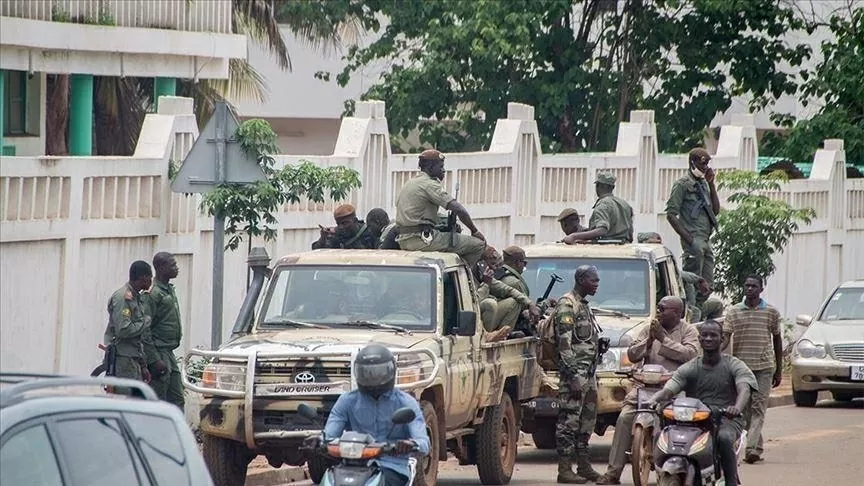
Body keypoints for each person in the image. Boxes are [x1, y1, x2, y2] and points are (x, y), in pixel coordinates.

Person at [595, 296, 698, 485]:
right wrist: (649, 341)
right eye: (658, 307)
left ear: (677, 313)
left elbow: (690, 355)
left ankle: (674, 472)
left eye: (663, 308)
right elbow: (632, 354)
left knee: (679, 424)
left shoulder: (688, 330)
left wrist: (663, 340)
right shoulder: (649, 328)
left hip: (673, 388)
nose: (658, 311)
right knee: (625, 417)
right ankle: (612, 473)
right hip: (645, 387)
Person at [646, 320, 757, 486]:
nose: (708, 338)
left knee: (724, 438)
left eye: (713, 335)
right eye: (704, 335)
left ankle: (731, 480)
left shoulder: (734, 365)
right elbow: (671, 388)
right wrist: (654, 399)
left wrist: (736, 408)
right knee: (663, 433)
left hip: (726, 418)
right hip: (695, 417)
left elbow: (744, 389)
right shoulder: (691, 366)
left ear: (722, 339)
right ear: (699, 338)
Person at [323, 344, 431, 486]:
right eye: (366, 373)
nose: (372, 378)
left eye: (379, 373)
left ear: (391, 371)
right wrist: (318, 441)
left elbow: (424, 443)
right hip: (352, 466)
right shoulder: (347, 401)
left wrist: (410, 444)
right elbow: (329, 436)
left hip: (392, 466)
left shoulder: (406, 402)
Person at [721, 275, 783, 464]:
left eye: (754, 286)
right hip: (741, 369)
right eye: (747, 285)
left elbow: (777, 340)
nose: (750, 289)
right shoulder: (734, 312)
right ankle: (757, 445)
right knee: (745, 411)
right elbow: (725, 338)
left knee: (758, 408)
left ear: (761, 289)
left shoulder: (771, 312)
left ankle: (750, 449)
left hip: (764, 367)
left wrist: (779, 369)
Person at [553, 266, 603, 483]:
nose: (597, 284)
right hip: (575, 376)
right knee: (569, 421)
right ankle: (564, 470)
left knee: (586, 422)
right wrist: (573, 375)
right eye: (594, 280)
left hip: (588, 373)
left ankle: (583, 466)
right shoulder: (567, 304)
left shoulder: (583, 304)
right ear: (581, 280)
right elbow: (564, 345)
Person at [394, 149, 486, 266]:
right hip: (423, 240)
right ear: (431, 167)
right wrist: (474, 231)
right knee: (478, 245)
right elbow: (458, 209)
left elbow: (419, 216)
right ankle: (463, 280)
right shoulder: (430, 184)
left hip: (404, 240)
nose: (443, 170)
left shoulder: (411, 183)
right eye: (440, 166)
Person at [665, 148, 720, 307]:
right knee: (692, 283)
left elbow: (715, 210)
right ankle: (690, 310)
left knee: (708, 285)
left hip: (705, 239)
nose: (705, 167)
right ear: (692, 163)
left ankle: (697, 310)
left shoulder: (703, 184)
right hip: (693, 240)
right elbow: (671, 214)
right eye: (703, 164)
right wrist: (688, 238)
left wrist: (712, 184)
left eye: (707, 164)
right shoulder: (682, 184)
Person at [475, 246, 540, 343]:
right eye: (492, 264)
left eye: (497, 264)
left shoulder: (489, 277)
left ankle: (503, 334)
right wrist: (485, 285)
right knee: (490, 303)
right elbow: (475, 302)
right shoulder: (471, 274)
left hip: (482, 318)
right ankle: (488, 336)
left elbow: (508, 290)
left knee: (512, 301)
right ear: (482, 263)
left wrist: (530, 303)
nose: (495, 268)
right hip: (474, 319)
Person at [144, 252, 184, 409]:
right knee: (158, 399)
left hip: (168, 352)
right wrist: (154, 359)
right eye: (172, 265)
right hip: (159, 352)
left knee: (177, 398)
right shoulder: (153, 293)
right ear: (161, 268)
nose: (176, 268)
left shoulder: (168, 289)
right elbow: (145, 329)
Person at [103, 260, 153, 385]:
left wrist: (143, 365)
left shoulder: (136, 297)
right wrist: (146, 322)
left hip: (133, 359)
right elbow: (123, 330)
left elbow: (137, 338)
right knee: (126, 399)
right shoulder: (122, 297)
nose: (151, 281)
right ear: (143, 278)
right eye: (150, 278)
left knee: (136, 401)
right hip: (123, 359)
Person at [563, 172, 634, 244]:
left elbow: (602, 230)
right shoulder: (625, 205)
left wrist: (574, 236)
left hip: (605, 250)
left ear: (597, 186)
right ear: (613, 187)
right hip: (624, 247)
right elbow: (630, 235)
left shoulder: (602, 205)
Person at [312, 204, 379, 250]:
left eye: (345, 223)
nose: (341, 227)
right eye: (338, 224)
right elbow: (317, 251)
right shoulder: (337, 234)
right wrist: (323, 238)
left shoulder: (369, 232)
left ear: (355, 220)